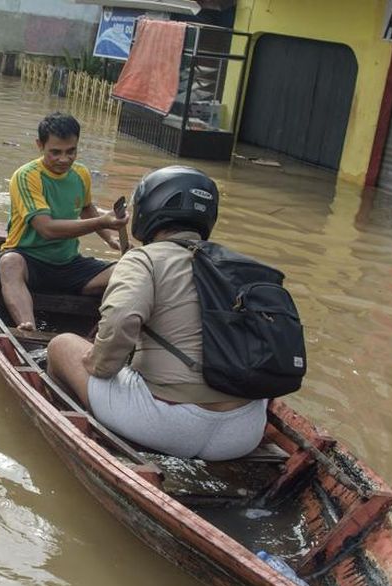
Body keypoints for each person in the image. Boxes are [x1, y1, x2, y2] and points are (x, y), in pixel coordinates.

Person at [45, 166, 267, 462]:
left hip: (168, 426)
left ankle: (74, 437)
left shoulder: (144, 258)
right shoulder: (241, 266)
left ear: (149, 209)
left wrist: (95, 365)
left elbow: (121, 320)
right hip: (245, 432)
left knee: (61, 346)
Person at [0, 113, 126, 331]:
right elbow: (46, 229)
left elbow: (86, 209)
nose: (64, 159)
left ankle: (103, 332)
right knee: (8, 263)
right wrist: (102, 222)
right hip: (29, 260)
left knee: (129, 272)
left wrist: (109, 238)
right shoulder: (27, 176)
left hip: (68, 263)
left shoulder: (81, 173)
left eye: (71, 151)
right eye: (55, 152)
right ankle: (28, 327)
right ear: (40, 145)